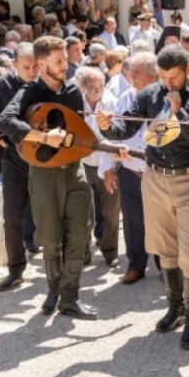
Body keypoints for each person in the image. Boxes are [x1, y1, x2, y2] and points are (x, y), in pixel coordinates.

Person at [98, 45, 189, 350]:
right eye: (164, 76)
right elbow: (125, 126)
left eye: (174, 77)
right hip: (155, 179)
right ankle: (175, 308)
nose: (168, 83)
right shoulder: (150, 93)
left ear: (188, 70)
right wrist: (106, 126)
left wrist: (181, 112)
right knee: (165, 251)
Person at [0, 37, 97, 319]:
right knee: (51, 238)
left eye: (65, 60)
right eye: (59, 62)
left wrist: (109, 143)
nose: (65, 66)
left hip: (74, 171)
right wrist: (42, 136)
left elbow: (79, 132)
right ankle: (54, 291)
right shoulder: (29, 92)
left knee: (79, 234)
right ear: (41, 64)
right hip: (44, 174)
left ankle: (70, 297)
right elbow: (4, 120)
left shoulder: (73, 93)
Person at [0, 42, 41, 292]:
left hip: (43, 158)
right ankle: (16, 269)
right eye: (26, 67)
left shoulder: (44, 84)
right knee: (12, 216)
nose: (32, 71)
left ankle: (61, 269)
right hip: (14, 158)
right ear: (14, 65)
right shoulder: (2, 87)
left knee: (51, 213)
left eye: (35, 66)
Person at [97, 52, 158, 284]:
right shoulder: (125, 98)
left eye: (137, 73)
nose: (131, 77)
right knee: (133, 222)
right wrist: (109, 169)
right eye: (130, 72)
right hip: (131, 171)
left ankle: (165, 267)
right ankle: (136, 265)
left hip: (156, 172)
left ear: (153, 76)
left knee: (161, 220)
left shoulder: (165, 99)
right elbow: (114, 136)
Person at [77, 67, 121, 267]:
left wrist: (109, 169)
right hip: (83, 164)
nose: (97, 91)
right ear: (83, 87)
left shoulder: (112, 102)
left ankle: (110, 253)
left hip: (107, 163)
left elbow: (115, 137)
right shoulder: (76, 103)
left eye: (101, 86)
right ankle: (83, 253)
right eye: (92, 87)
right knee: (82, 213)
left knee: (111, 211)